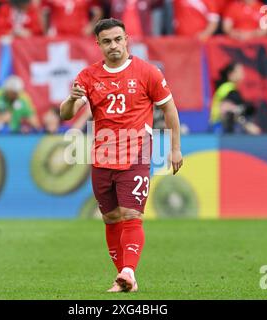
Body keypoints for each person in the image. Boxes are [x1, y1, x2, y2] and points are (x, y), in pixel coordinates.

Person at [60, 18, 183, 293]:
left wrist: (175, 148)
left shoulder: (147, 72)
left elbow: (170, 110)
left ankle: (128, 270)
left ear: (127, 39)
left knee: (131, 213)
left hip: (136, 150)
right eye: (107, 41)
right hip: (103, 153)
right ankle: (125, 277)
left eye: (118, 39)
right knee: (111, 217)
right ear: (98, 45)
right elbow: (67, 114)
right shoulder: (88, 76)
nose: (113, 45)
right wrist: (70, 99)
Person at [209, 63, 261, 135]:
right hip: (220, 128)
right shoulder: (227, 89)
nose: (243, 75)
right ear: (231, 74)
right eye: (240, 71)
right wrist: (247, 125)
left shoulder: (229, 88)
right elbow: (231, 110)